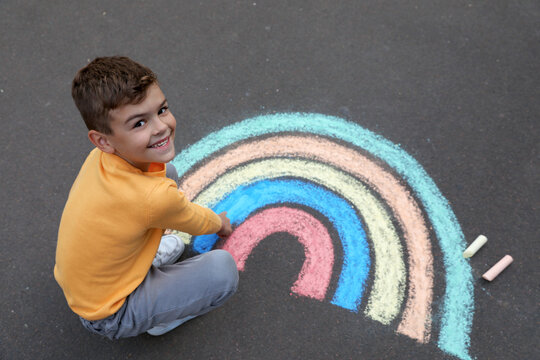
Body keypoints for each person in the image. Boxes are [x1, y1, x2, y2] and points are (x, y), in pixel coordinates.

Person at [54, 56, 239, 339]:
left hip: (86, 285)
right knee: (223, 272)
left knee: (167, 172)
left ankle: (145, 268)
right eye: (139, 123)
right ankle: (158, 320)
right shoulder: (153, 198)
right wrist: (220, 223)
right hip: (111, 313)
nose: (161, 127)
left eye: (161, 110)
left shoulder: (100, 158)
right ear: (103, 140)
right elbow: (193, 219)